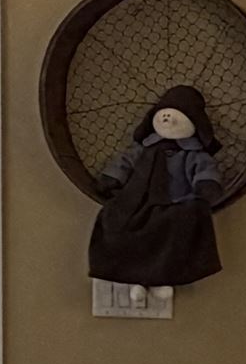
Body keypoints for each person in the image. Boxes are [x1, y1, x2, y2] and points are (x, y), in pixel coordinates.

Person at [90, 85, 226, 288]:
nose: (167, 119)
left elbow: (204, 168)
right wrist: (112, 178)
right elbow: (124, 163)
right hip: (136, 199)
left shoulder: (192, 154)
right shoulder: (143, 149)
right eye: (164, 114)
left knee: (177, 227)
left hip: (175, 201)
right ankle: (132, 277)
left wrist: (206, 184)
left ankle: (163, 279)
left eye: (176, 115)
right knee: (116, 220)